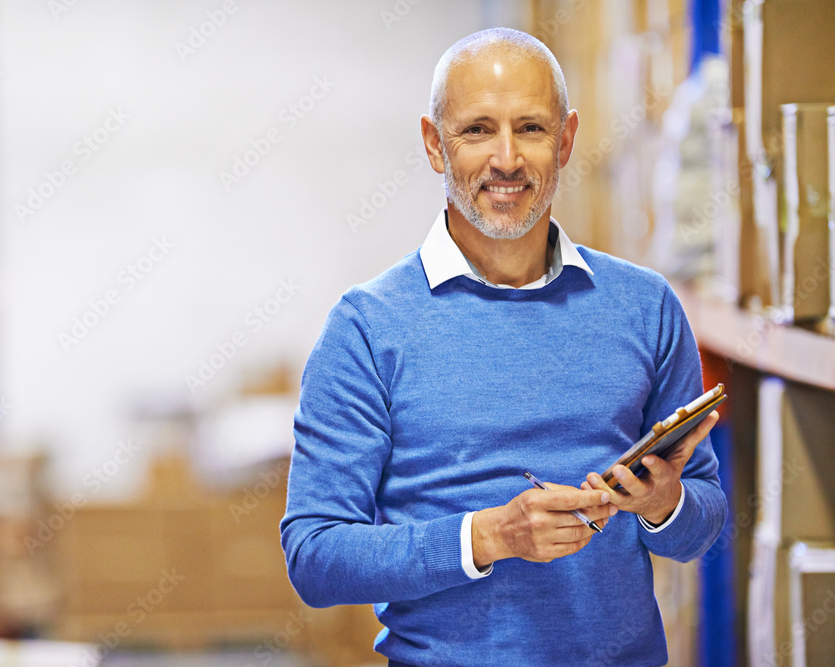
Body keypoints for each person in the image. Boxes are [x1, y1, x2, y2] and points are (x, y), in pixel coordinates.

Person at [280, 27, 726, 666]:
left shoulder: (646, 306)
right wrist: (488, 537)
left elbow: (702, 522)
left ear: (567, 139)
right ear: (435, 144)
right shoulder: (367, 329)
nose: (508, 158)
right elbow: (315, 556)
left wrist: (663, 504)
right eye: (478, 130)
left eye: (532, 129)